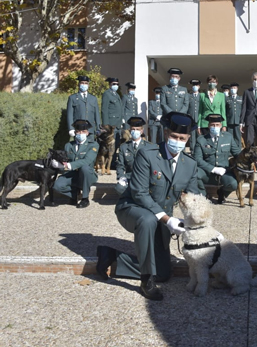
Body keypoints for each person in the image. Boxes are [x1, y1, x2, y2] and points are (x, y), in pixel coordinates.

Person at [96, 112, 199, 301]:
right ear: (166, 134)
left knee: (164, 273)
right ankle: (146, 281)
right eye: (174, 137)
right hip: (133, 208)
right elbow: (139, 193)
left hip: (162, 218)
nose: (177, 141)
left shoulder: (189, 165)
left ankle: (112, 256)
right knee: (148, 219)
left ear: (188, 139)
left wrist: (202, 225)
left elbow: (196, 198)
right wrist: (168, 220)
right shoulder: (147, 154)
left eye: (182, 138)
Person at [52, 120, 99, 208]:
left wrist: (69, 165)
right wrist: (58, 164)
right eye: (78, 131)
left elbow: (87, 160)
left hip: (87, 175)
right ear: (75, 132)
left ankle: (85, 198)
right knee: (57, 186)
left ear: (87, 133)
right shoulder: (68, 145)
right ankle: (74, 194)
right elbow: (65, 160)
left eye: (83, 131)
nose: (80, 134)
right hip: (72, 174)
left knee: (84, 168)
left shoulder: (93, 145)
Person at [195, 114, 241, 204]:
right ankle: (204, 196)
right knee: (194, 174)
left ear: (221, 126)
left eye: (217, 125)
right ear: (208, 126)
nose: (214, 127)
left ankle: (222, 193)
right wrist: (213, 169)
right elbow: (197, 159)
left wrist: (248, 158)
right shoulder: (201, 140)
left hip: (224, 172)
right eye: (212, 125)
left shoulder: (228, 137)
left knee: (233, 184)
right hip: (207, 172)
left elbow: (237, 153)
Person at [115, 117, 157, 194]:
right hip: (129, 177)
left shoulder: (149, 146)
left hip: (144, 178)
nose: (135, 131)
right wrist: (121, 177)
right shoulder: (123, 147)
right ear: (130, 130)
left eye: (137, 129)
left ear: (142, 131)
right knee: (119, 188)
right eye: (133, 129)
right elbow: (120, 165)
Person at [101, 77, 123, 145]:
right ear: (110, 84)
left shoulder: (116, 94)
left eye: (117, 84)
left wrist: (121, 119)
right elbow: (104, 110)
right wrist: (105, 124)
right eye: (114, 84)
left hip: (118, 124)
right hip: (111, 124)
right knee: (111, 144)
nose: (116, 86)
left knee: (117, 143)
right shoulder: (107, 94)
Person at [225, 82, 243, 149]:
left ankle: (238, 150)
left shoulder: (241, 98)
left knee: (238, 137)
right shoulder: (227, 99)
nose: (233, 89)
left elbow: (242, 111)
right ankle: (230, 150)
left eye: (235, 88)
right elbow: (225, 111)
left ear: (237, 89)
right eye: (232, 88)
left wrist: (242, 122)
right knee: (230, 137)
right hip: (229, 121)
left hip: (238, 121)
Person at [188, 79, 201, 152]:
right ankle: (192, 151)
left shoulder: (201, 96)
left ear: (199, 86)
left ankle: (199, 151)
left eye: (196, 85)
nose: (195, 86)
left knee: (200, 136)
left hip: (199, 119)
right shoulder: (188, 96)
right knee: (192, 137)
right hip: (191, 119)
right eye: (193, 85)